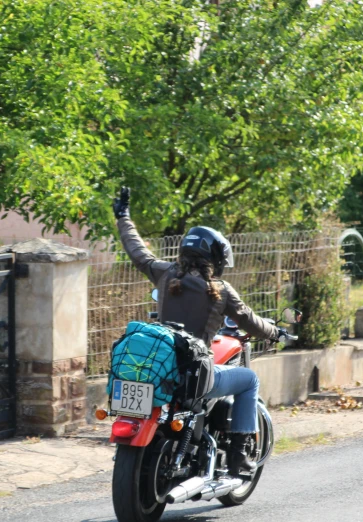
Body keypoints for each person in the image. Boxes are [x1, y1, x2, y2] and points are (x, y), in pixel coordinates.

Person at [113, 187, 288, 477]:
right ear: (216, 259)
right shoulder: (220, 290)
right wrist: (276, 333)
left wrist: (123, 215)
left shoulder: (165, 274)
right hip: (195, 376)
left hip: (162, 370)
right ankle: (238, 455)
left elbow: (137, 251)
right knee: (249, 380)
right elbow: (250, 321)